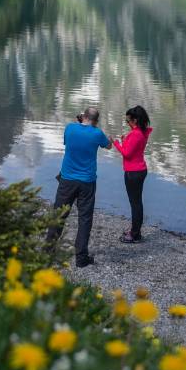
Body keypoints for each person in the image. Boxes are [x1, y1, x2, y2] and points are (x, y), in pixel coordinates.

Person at [46, 106, 111, 267]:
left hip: (67, 180)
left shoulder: (70, 128)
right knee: (85, 219)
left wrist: (80, 122)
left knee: (59, 215)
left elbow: (67, 142)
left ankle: (48, 252)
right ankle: (81, 258)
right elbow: (108, 146)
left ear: (83, 116)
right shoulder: (97, 134)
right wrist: (107, 137)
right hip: (87, 182)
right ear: (96, 120)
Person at [113, 105, 152, 243]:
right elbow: (133, 150)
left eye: (128, 121)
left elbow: (127, 154)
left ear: (135, 120)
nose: (127, 123)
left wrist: (116, 143)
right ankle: (135, 230)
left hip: (133, 172)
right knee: (136, 202)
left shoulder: (136, 134)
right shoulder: (141, 132)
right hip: (139, 170)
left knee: (135, 203)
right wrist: (125, 141)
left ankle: (135, 234)